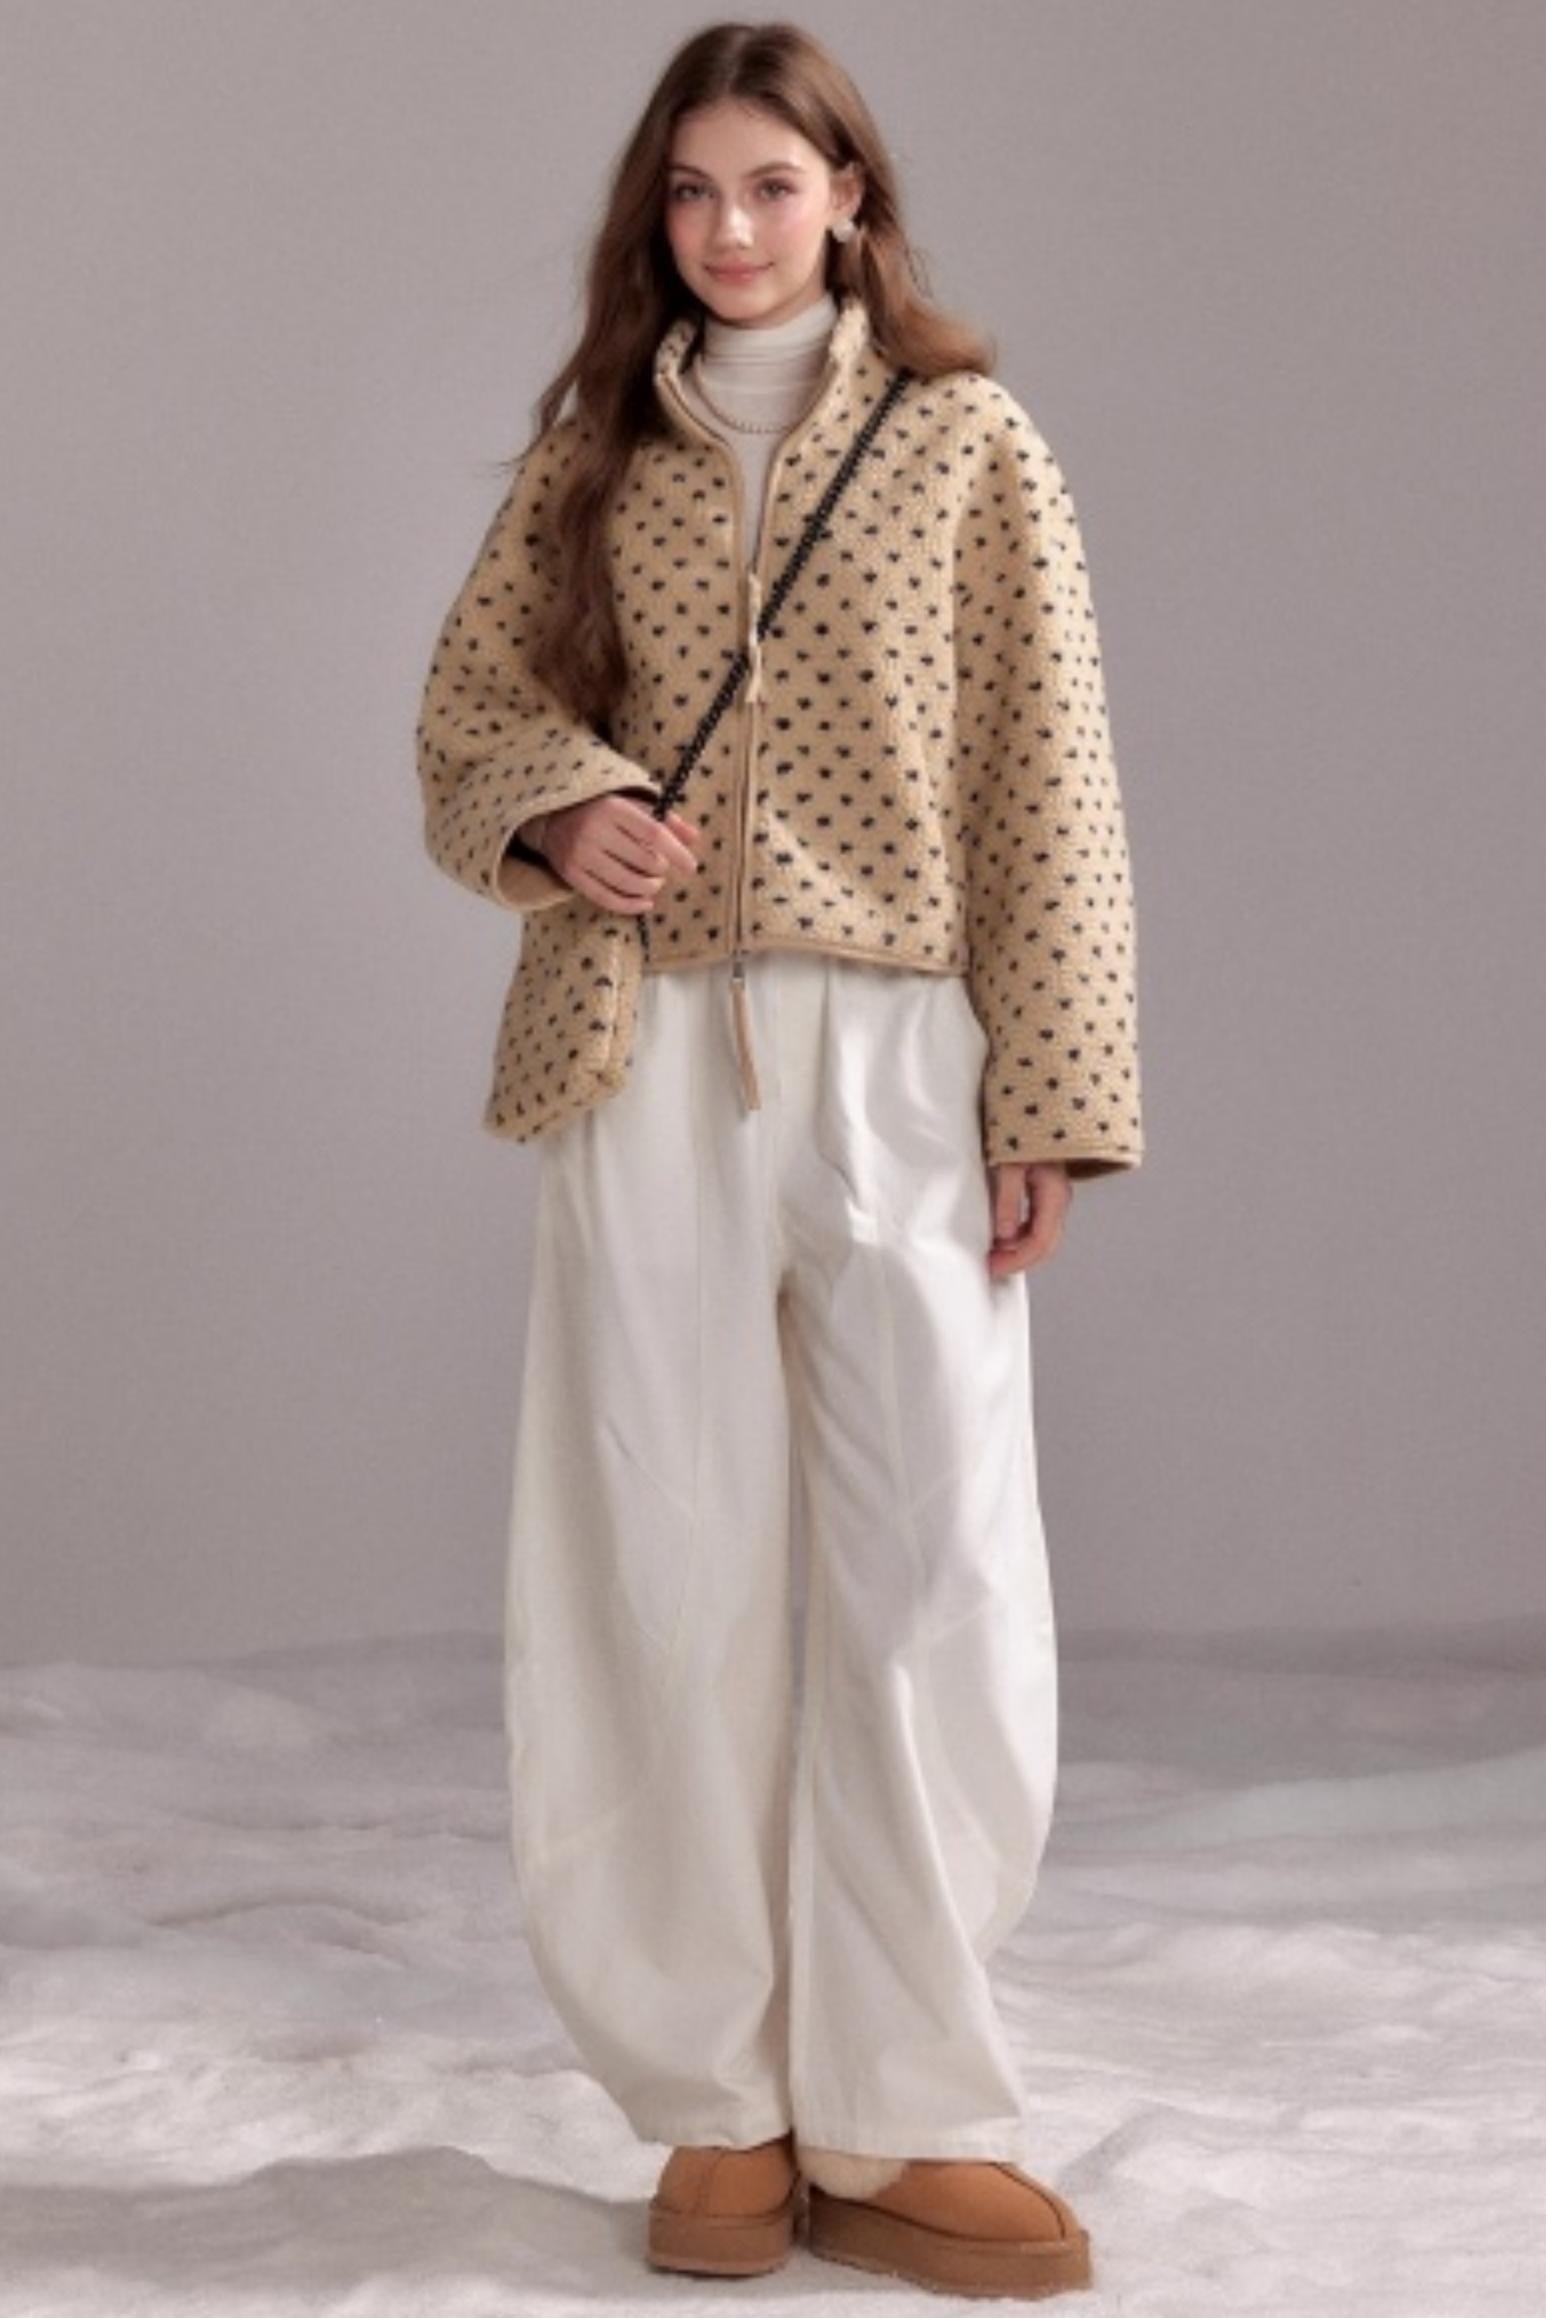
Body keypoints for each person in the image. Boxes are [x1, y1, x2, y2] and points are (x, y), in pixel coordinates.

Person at [415, 20, 1143, 2300]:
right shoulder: (594, 450)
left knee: (934, 1564)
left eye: (768, 185)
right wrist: (564, 808)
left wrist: (1050, 1094)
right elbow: (465, 714)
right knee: (657, 1560)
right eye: (689, 191)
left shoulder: (966, 444)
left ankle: (902, 2107)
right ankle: (717, 2104)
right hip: (640, 1046)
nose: (726, 229)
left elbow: (1048, 773)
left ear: (849, 200)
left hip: (902, 1046)